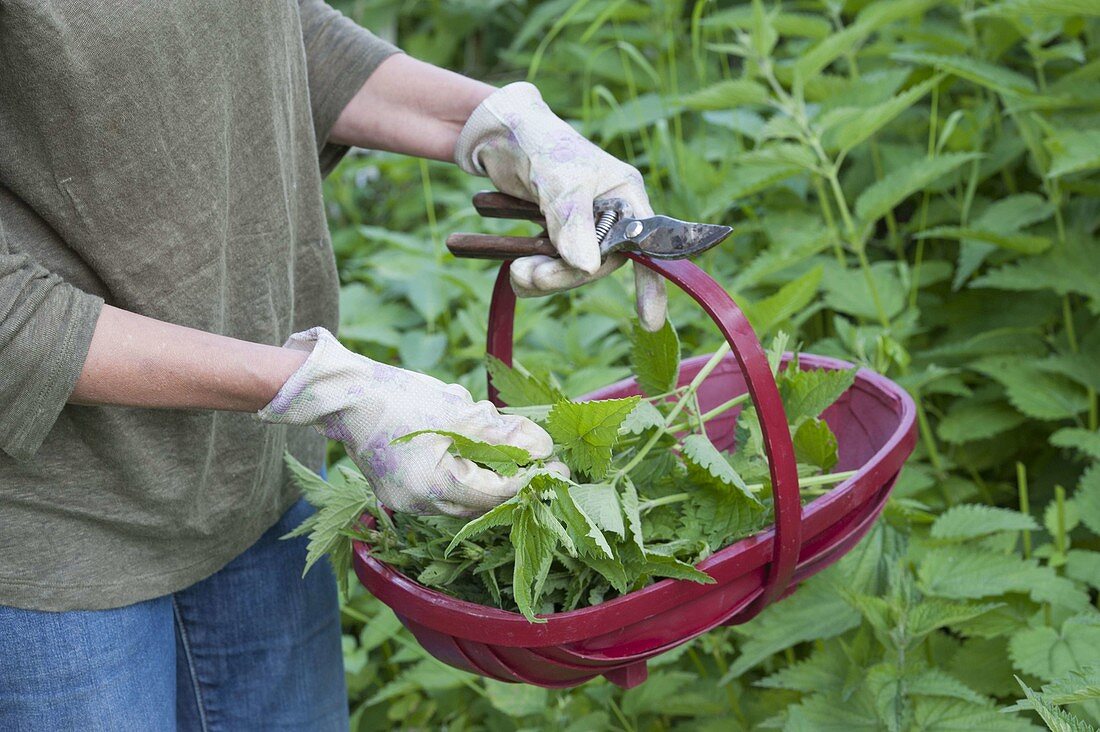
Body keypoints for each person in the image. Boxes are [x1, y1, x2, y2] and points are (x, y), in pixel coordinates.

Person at [0, 2, 665, 730]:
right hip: (57, 549)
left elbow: (257, 39)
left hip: (260, 486)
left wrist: (493, 124)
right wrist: (324, 387)